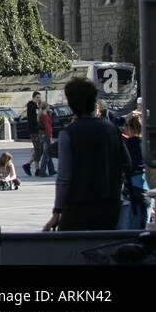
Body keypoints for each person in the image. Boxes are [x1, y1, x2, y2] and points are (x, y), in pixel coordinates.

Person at [45, 77, 131, 232]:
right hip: (109, 205)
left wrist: (57, 211)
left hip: (78, 206)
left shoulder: (69, 134)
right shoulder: (112, 129)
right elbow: (127, 163)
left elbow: (64, 177)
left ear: (72, 104)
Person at [119, 112, 148, 230]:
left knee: (132, 212)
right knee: (145, 210)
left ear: (130, 128)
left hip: (131, 181)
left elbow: (126, 163)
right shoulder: (146, 143)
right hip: (146, 180)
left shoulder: (128, 143)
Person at [35, 102, 56, 177]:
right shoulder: (44, 116)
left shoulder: (42, 115)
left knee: (48, 152)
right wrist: (50, 137)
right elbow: (48, 127)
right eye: (48, 107)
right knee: (46, 154)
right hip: (46, 135)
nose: (49, 108)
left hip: (42, 134)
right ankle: (42, 172)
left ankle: (51, 170)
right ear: (46, 107)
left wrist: (50, 114)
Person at [23, 91, 41, 175]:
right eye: (37, 97)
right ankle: (28, 164)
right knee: (38, 149)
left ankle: (37, 169)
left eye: (39, 97)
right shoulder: (31, 106)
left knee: (37, 149)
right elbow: (33, 119)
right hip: (34, 131)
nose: (39, 99)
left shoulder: (36, 106)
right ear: (33, 98)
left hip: (36, 130)